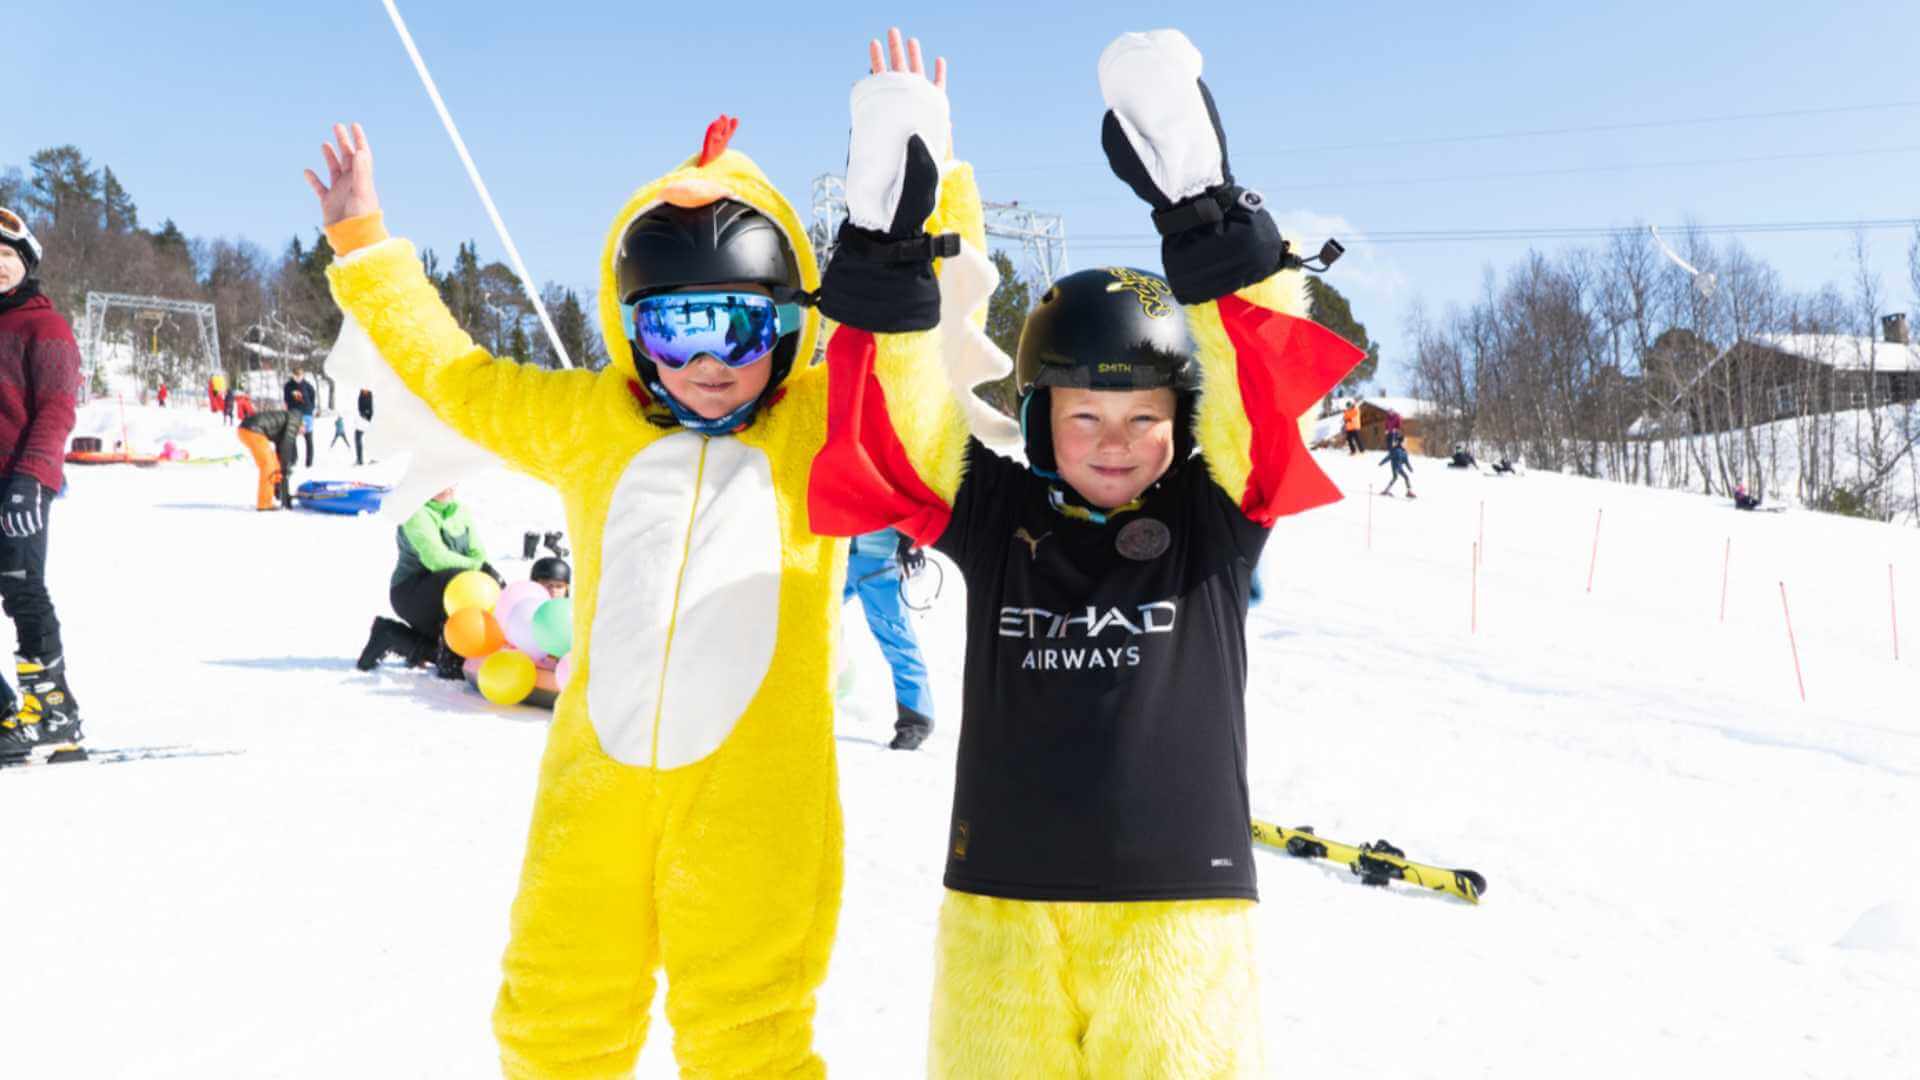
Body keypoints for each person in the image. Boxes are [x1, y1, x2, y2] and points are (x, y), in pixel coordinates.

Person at [304, 27, 965, 1069]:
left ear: (786, 329)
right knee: (557, 1009)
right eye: (675, 330)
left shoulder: (815, 425)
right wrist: (367, 250)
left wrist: (924, 181)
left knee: (748, 1032)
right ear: (631, 331)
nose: (709, 363)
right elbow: (459, 378)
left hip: (759, 790)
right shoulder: (591, 420)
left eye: (739, 329)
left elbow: (907, 349)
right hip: (597, 785)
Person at [810, 29, 1363, 1074]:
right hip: (1001, 910)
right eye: (1084, 416)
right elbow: (897, 434)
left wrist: (1206, 212)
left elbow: (1262, 394)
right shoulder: (997, 515)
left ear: (1181, 420)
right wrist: (887, 247)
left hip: (1178, 914)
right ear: (1037, 414)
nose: (1114, 443)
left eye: (1143, 417)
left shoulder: (1215, 515)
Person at [0, 207, 86, 764]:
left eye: (6, 257)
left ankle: (53, 713)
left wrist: (30, 479)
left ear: (27, 262)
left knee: (21, 588)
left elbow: (57, 409)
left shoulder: (44, 326)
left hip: (20, 482)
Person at [842, 527, 935, 749]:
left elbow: (908, 499)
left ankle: (916, 721)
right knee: (807, 626)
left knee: (897, 641)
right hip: (833, 556)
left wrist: (911, 541)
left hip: (878, 560)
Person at [236, 408, 300, 510]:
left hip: (248, 429)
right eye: (303, 430)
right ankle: (264, 504)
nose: (301, 433)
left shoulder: (289, 421)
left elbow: (281, 450)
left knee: (274, 465)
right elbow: (287, 445)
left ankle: (270, 496)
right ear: (303, 423)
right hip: (253, 430)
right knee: (268, 466)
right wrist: (286, 468)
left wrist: (279, 481)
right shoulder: (295, 420)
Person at [284, 365, 318, 467]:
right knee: (292, 438)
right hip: (294, 414)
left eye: (300, 375)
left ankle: (309, 463)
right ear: (293, 375)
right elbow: (286, 399)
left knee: (308, 438)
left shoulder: (307, 386)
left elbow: (312, 397)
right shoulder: (288, 386)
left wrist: (310, 409)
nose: (298, 377)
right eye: (296, 375)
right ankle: (294, 459)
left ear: (303, 375)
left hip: (307, 414)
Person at [355, 386, 373, 465]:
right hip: (363, 418)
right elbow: (360, 407)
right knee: (358, 437)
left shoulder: (369, 396)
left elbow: (371, 409)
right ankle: (360, 459)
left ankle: (360, 460)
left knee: (358, 437)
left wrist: (366, 415)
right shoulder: (362, 394)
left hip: (367, 419)